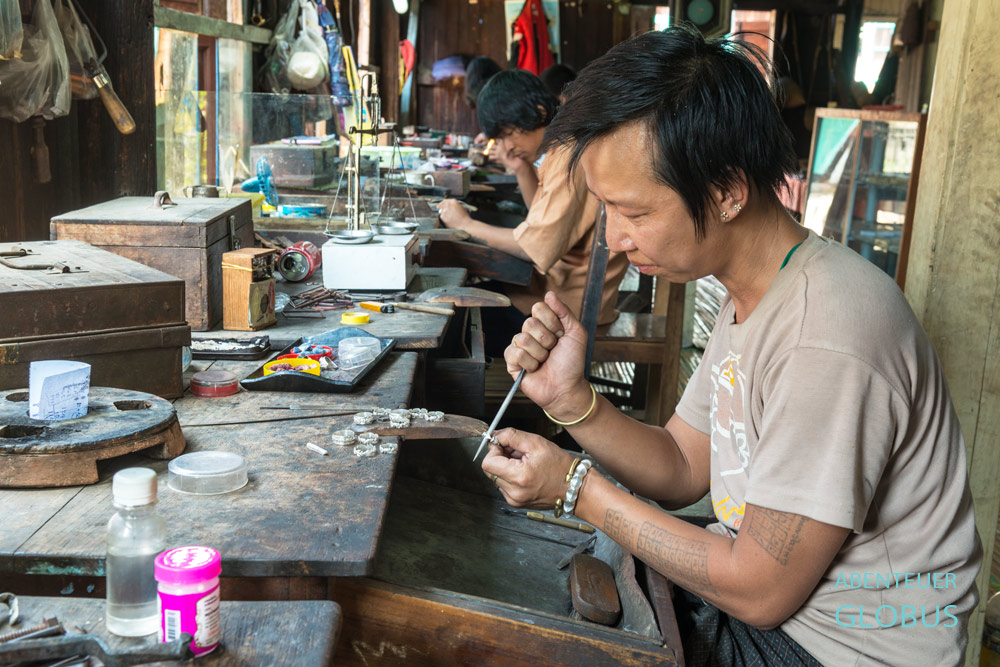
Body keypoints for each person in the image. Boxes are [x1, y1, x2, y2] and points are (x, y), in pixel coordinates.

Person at [481, 27, 981, 667]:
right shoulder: (758, 290)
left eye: (634, 212)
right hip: (780, 615)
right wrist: (570, 401)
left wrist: (577, 488)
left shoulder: (827, 334)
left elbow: (760, 590)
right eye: (605, 208)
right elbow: (681, 467)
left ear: (725, 191)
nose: (615, 236)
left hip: (837, 648)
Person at [438, 70, 628, 355]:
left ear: (538, 113)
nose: (507, 146)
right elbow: (537, 216)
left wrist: (466, 224)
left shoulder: (569, 154)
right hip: (551, 292)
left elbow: (534, 246)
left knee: (452, 323)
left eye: (508, 134)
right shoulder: (561, 148)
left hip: (566, 309)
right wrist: (520, 167)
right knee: (460, 302)